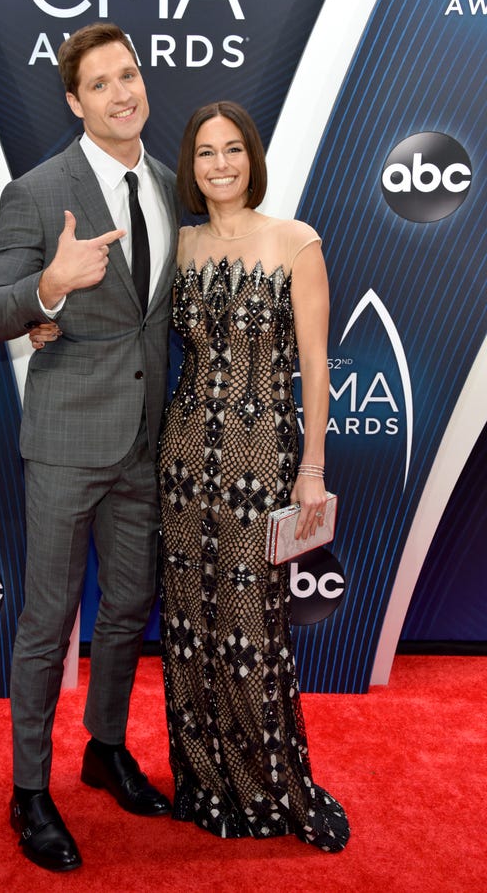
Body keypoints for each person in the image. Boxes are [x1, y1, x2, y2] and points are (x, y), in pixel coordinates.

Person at [0, 22, 181, 873]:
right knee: (48, 621)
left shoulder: (167, 184)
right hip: (64, 444)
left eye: (129, 74)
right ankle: (29, 789)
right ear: (73, 101)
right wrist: (49, 286)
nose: (122, 93)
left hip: (143, 443)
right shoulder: (37, 189)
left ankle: (104, 747)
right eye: (100, 83)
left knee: (128, 606)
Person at [156, 100, 350, 851]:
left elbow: (315, 364)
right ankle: (205, 780)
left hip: (261, 454)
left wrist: (312, 468)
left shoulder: (297, 241)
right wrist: (48, 322)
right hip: (183, 457)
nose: (220, 165)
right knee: (188, 624)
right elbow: (124, 325)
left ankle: (267, 784)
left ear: (252, 158)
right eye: (206, 152)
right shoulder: (179, 245)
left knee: (249, 625)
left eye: (233, 149)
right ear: (191, 166)